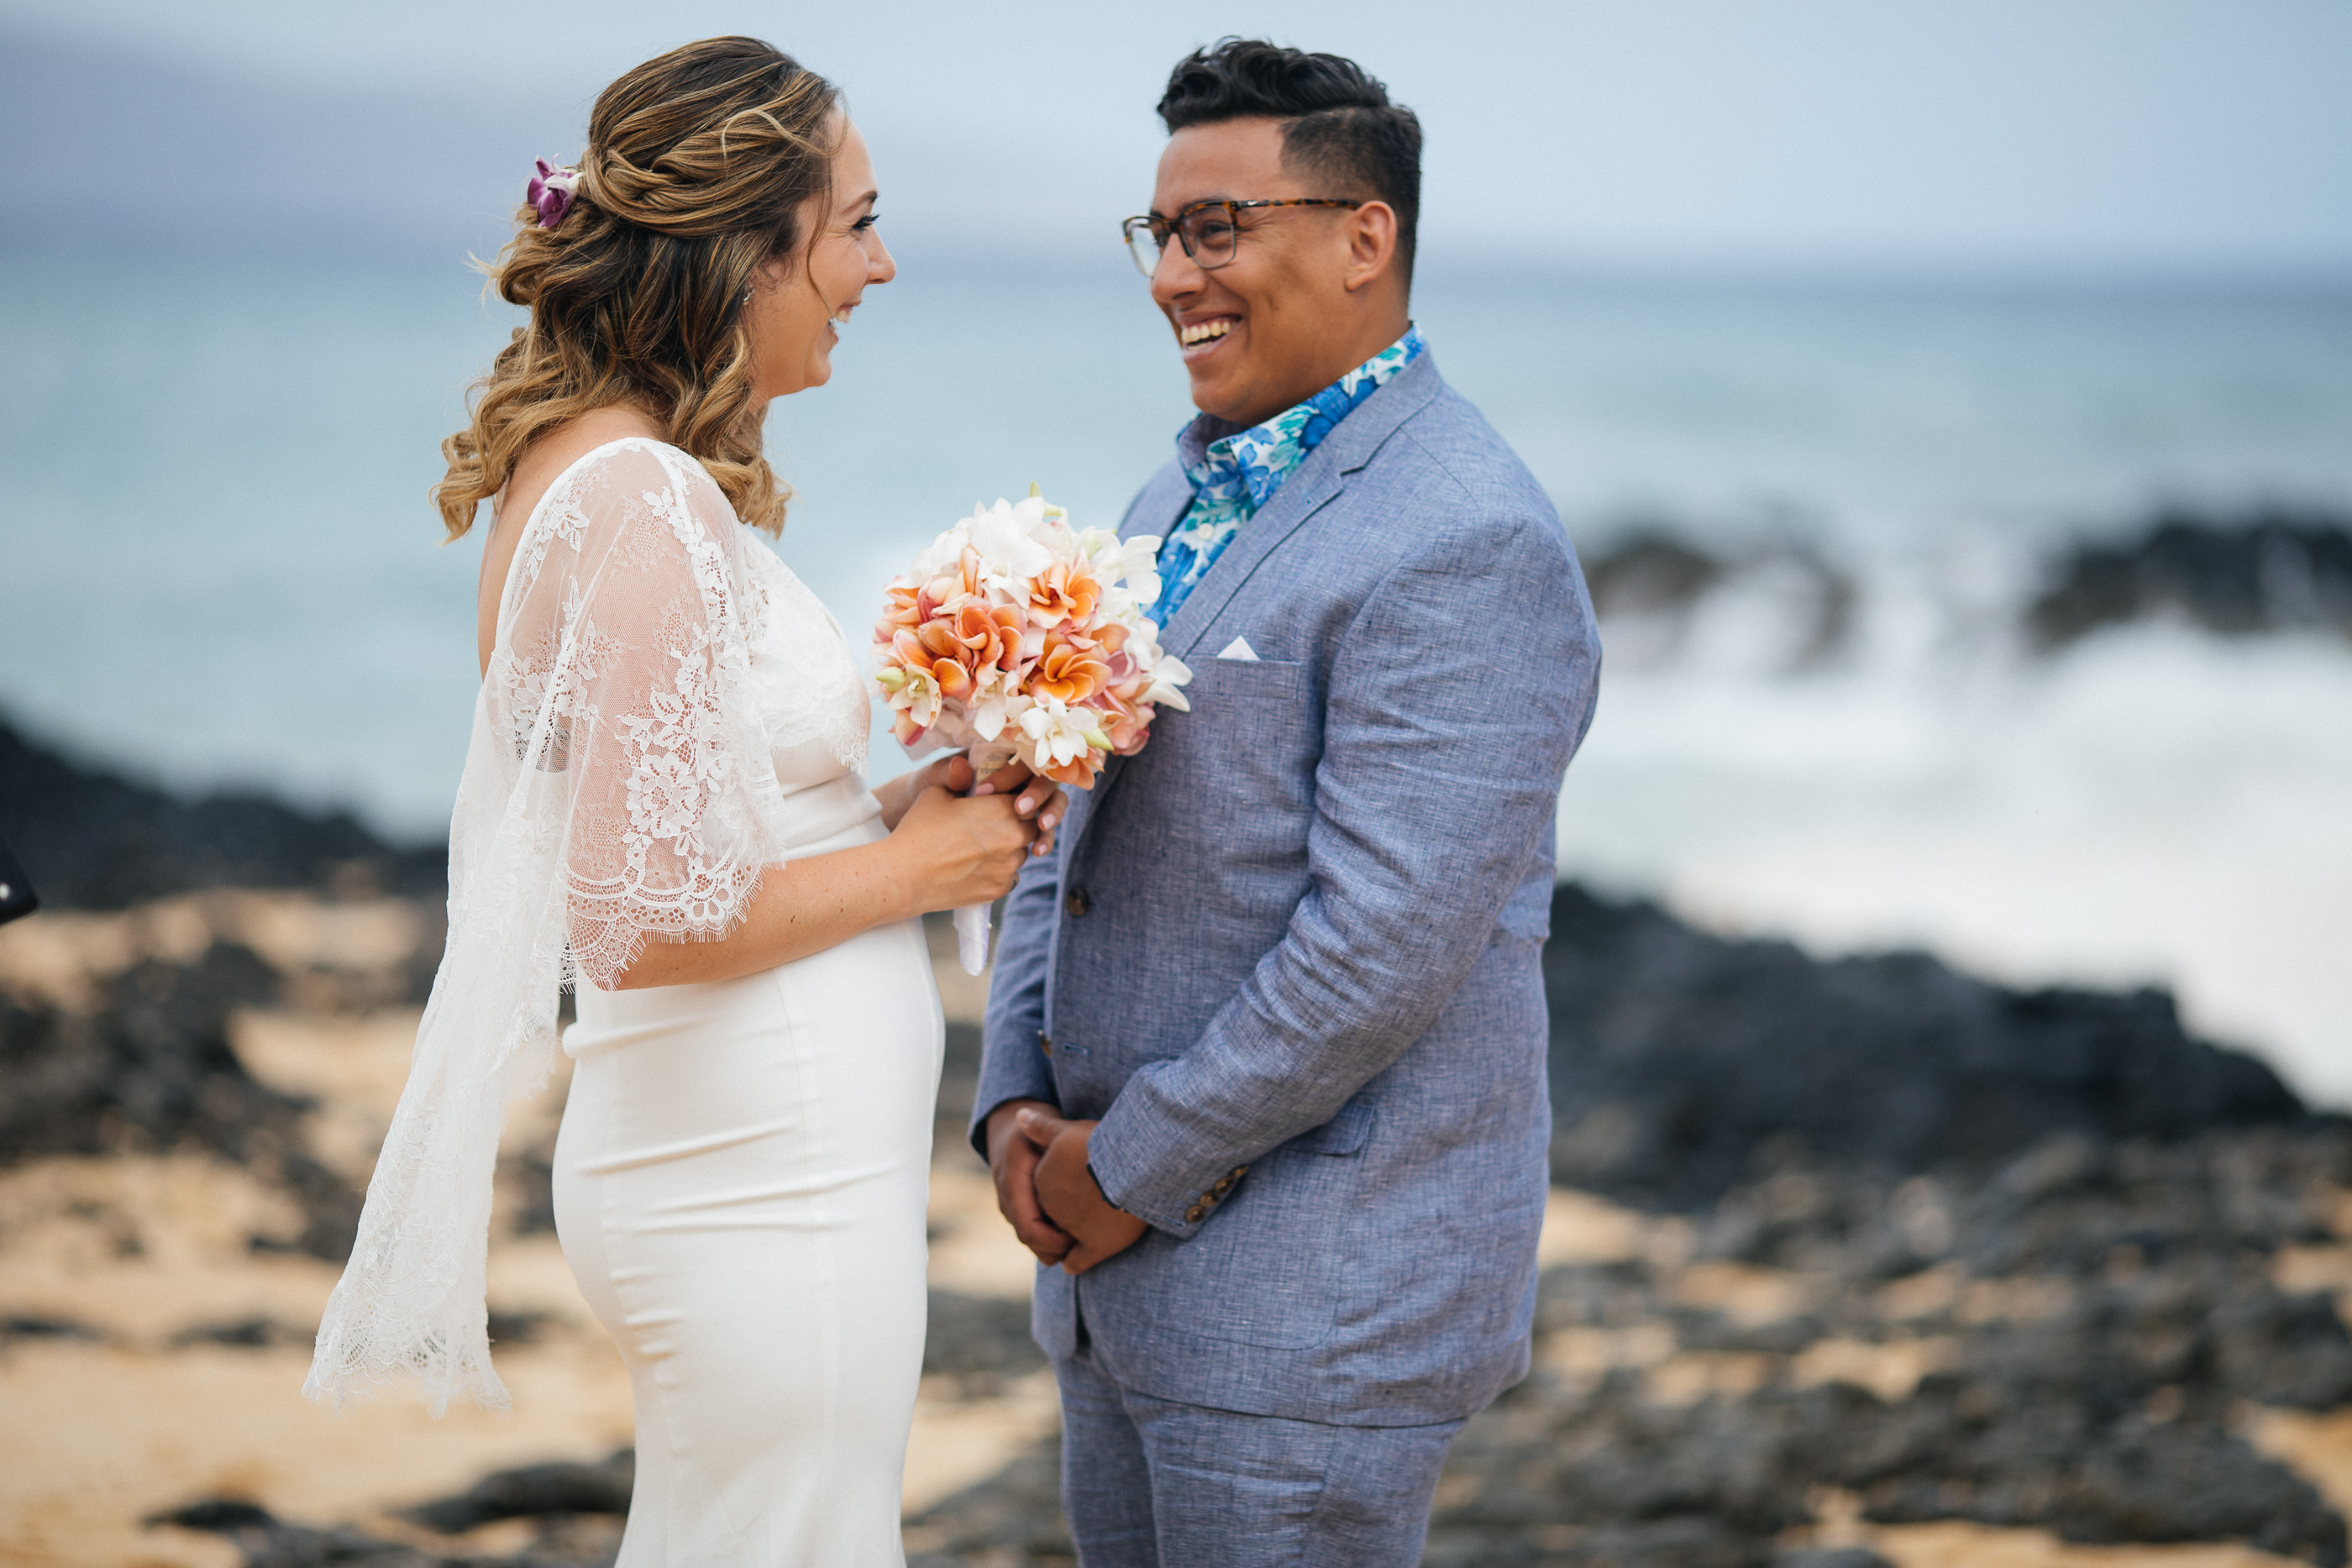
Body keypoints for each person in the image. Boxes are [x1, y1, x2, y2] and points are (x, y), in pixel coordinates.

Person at [303, 37, 1065, 1567]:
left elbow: (687, 826)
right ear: (746, 251)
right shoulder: (641, 499)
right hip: (755, 1182)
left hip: (740, 1160)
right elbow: (639, 914)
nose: (883, 263)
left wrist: (891, 808)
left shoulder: (598, 477)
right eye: (854, 222)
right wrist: (925, 871)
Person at [974, 39, 1602, 1567]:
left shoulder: (1467, 539)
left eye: (1217, 229)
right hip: (1110, 1286)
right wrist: (1007, 1101)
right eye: (1161, 233)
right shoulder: (1171, 501)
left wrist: (1124, 1169)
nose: (1171, 275)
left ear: (1363, 235)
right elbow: (1070, 839)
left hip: (1313, 1312)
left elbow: (1378, 947)